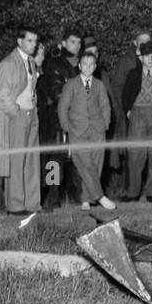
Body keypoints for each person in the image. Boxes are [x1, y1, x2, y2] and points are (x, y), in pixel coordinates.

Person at [0, 28, 42, 215]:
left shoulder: (30, 61)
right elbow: (0, 96)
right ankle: (15, 205)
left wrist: (32, 109)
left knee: (32, 161)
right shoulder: (8, 63)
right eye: (30, 40)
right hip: (18, 116)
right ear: (19, 41)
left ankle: (32, 203)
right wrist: (16, 112)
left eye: (35, 41)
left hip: (32, 114)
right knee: (16, 161)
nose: (34, 44)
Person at [58, 51, 115, 211]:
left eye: (91, 64)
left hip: (97, 130)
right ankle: (100, 197)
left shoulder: (99, 84)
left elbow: (105, 105)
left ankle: (85, 199)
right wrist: (66, 126)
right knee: (85, 164)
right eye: (85, 64)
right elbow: (62, 107)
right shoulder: (71, 84)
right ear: (79, 65)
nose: (88, 67)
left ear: (95, 66)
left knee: (96, 165)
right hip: (77, 131)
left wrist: (105, 123)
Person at [119, 41, 152, 202]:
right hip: (137, 113)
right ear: (141, 58)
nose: (150, 59)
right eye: (146, 57)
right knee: (135, 154)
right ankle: (133, 193)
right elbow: (125, 95)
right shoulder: (133, 74)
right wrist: (129, 111)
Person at [40, 30, 81, 207]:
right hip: (58, 119)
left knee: (80, 159)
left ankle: (80, 195)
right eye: (72, 42)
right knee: (55, 160)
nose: (77, 45)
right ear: (63, 44)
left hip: (79, 119)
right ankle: (52, 195)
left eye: (79, 42)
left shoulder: (84, 63)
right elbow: (58, 92)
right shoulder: (55, 64)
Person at [109, 30, 151, 170]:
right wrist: (126, 108)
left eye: (148, 41)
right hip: (131, 113)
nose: (145, 44)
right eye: (142, 41)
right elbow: (116, 86)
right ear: (135, 43)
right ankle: (131, 188)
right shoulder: (126, 61)